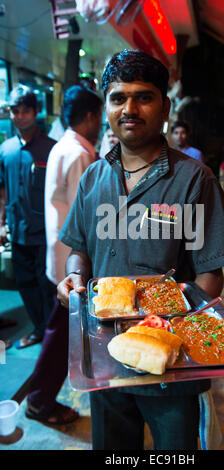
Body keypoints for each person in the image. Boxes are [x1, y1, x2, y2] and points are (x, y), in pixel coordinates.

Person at [56, 49, 224, 451]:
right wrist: (75, 276)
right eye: (118, 98)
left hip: (168, 364)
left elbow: (210, 271)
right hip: (104, 355)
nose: (130, 108)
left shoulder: (194, 179)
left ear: (165, 106)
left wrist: (183, 342)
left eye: (144, 96)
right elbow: (79, 249)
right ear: (106, 107)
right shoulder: (93, 178)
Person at [25, 85, 102, 425]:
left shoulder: (64, 147)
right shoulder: (80, 154)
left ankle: (40, 397)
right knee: (58, 336)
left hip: (60, 256)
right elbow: (86, 214)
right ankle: (39, 401)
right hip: (71, 262)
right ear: (90, 116)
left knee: (58, 332)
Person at [0, 85, 56, 348]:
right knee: (24, 283)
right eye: (15, 111)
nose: (19, 116)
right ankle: (39, 329)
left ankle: (51, 333)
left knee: (47, 285)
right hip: (17, 230)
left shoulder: (51, 149)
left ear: (35, 113)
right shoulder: (6, 149)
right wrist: (2, 223)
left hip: (46, 232)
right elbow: (2, 189)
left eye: (25, 111)